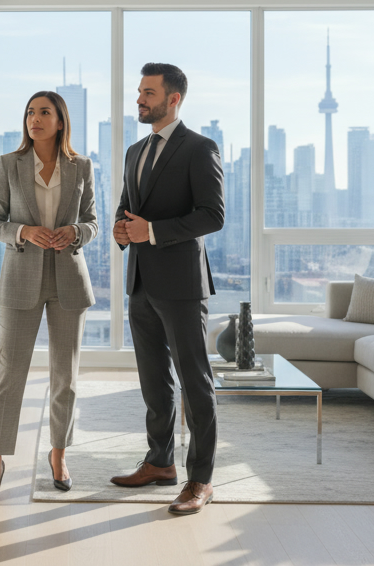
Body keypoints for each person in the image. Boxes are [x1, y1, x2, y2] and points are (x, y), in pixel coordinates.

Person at [109, 62, 225, 515]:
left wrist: (152, 231)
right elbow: (126, 204)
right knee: (154, 382)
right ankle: (160, 463)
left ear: (173, 99)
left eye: (148, 92)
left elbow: (212, 215)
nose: (140, 99)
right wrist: (122, 229)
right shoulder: (135, 151)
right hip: (140, 282)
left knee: (195, 383)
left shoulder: (200, 148)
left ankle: (201, 479)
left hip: (181, 284)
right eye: (139, 91)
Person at [0, 91, 99, 504]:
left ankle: (59, 454)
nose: (35, 119)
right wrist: (24, 231)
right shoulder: (8, 165)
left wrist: (76, 233)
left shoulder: (82, 166)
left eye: (44, 112)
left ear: (61, 121)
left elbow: (93, 222)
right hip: (19, 279)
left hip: (68, 278)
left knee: (64, 376)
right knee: (9, 374)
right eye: (30, 112)